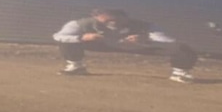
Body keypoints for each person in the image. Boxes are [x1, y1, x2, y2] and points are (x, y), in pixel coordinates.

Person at [52, 8, 198, 82]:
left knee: (183, 49)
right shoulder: (80, 24)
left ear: (126, 17)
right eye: (107, 16)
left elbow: (169, 41)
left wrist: (146, 38)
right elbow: (58, 36)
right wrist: (82, 37)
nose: (112, 20)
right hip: (101, 44)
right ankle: (76, 66)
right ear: (96, 16)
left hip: (137, 46)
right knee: (68, 40)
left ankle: (180, 73)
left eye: (117, 17)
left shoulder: (145, 26)